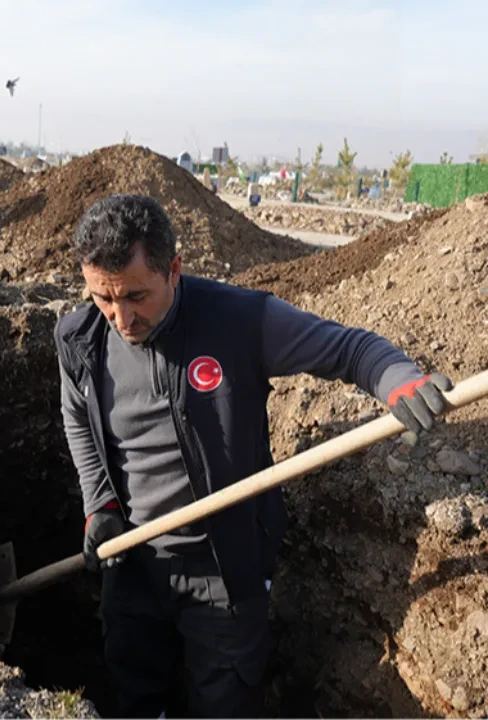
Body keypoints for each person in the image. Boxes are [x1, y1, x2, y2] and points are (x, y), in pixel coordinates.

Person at [54, 194, 452, 719]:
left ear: (174, 269)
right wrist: (99, 506)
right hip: (132, 565)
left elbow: (349, 349)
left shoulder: (238, 321)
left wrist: (401, 382)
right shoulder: (80, 339)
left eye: (135, 296)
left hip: (224, 571)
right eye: (104, 298)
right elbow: (78, 421)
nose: (121, 317)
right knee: (139, 698)